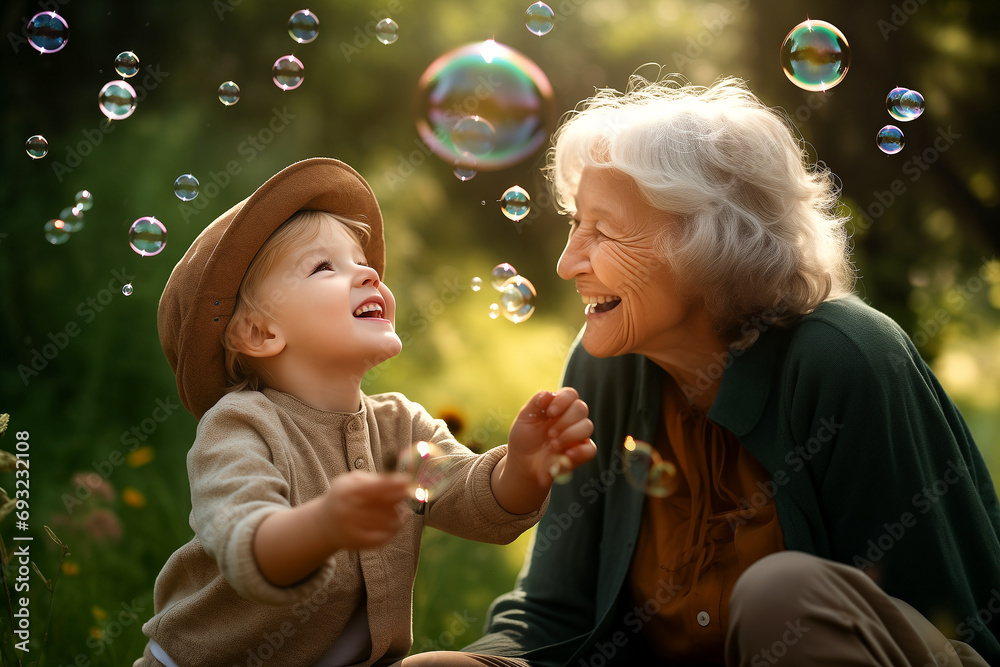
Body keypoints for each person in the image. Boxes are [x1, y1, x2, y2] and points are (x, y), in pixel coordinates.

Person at [464, 77, 1000, 666]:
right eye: (574, 223)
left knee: (781, 595)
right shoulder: (605, 367)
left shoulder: (844, 359)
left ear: (707, 242)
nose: (568, 263)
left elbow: (957, 623)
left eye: (604, 230)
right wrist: (482, 663)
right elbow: (552, 608)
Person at [135, 157, 596, 667]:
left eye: (362, 260)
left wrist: (523, 468)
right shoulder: (240, 427)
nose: (369, 272)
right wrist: (322, 527)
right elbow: (246, 541)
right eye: (323, 266)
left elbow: (467, 498)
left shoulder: (401, 428)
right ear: (260, 334)